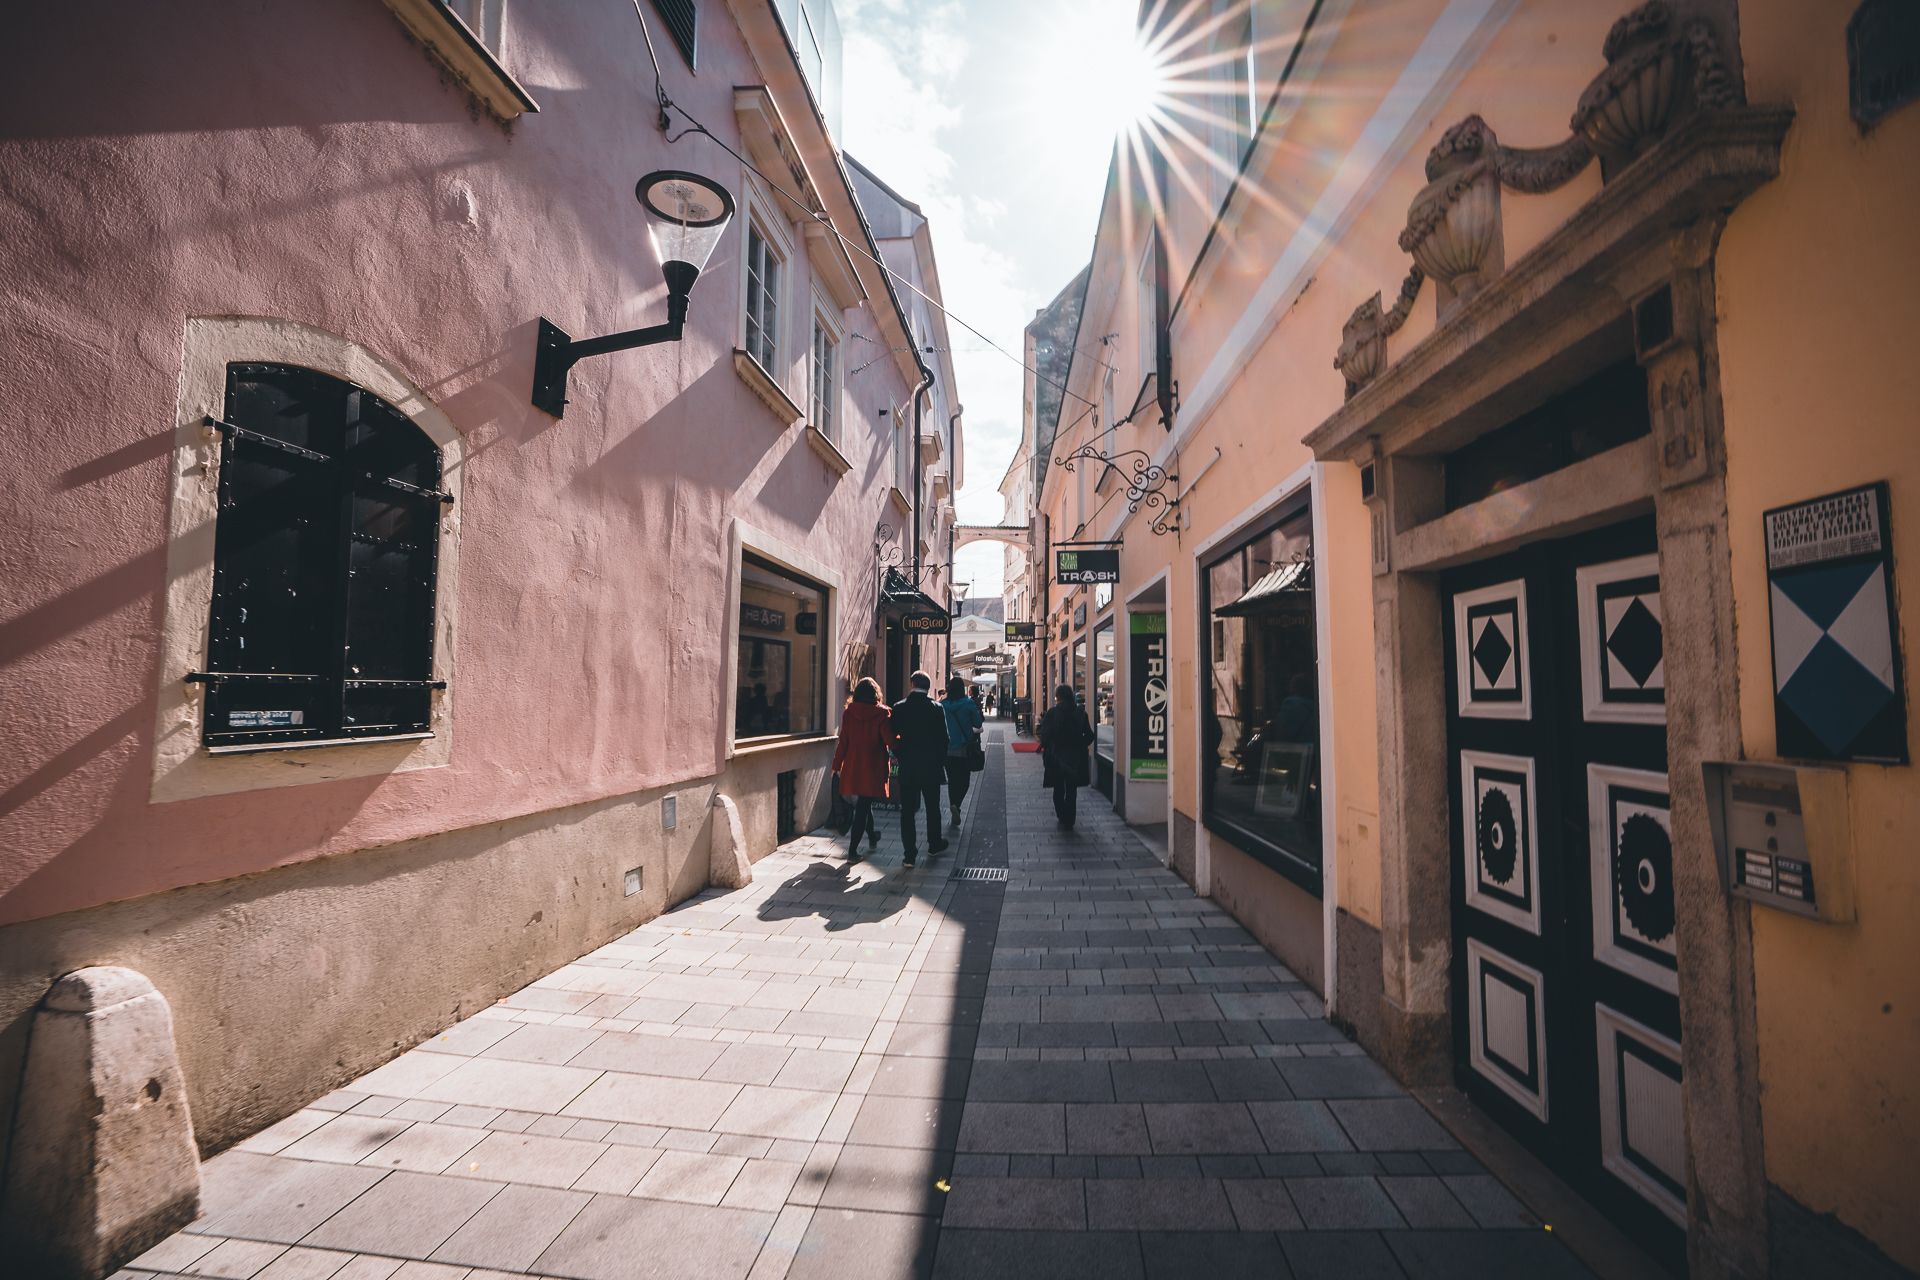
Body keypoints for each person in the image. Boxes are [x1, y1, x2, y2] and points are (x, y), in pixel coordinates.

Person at [888, 671, 950, 866]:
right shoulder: (937, 708)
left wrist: (901, 756)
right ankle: (934, 844)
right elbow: (944, 739)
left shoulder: (899, 708)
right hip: (931, 767)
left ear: (911, 683)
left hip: (909, 767)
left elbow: (892, 738)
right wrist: (939, 761)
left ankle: (909, 855)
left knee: (907, 811)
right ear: (929, 686)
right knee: (933, 808)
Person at [830, 677, 889, 859]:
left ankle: (872, 836)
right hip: (873, 767)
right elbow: (890, 740)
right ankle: (853, 850)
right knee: (864, 805)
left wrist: (836, 765)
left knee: (864, 801)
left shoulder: (849, 713)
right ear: (875, 694)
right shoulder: (883, 714)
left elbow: (843, 742)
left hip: (854, 766)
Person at [1038, 683, 1096, 830]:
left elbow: (1044, 736)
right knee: (1071, 790)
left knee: (1058, 789)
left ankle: (1062, 815)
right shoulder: (1081, 713)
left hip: (1057, 757)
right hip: (1075, 759)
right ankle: (1070, 819)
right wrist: (1079, 744)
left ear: (1058, 697)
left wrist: (1047, 746)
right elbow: (1090, 735)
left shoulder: (1052, 713)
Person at [941, 675, 985, 830]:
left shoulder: (942, 705)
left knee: (952, 780)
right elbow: (978, 723)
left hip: (946, 750)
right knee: (964, 781)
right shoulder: (968, 704)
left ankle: (954, 804)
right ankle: (957, 805)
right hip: (964, 748)